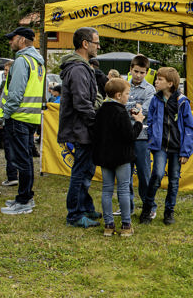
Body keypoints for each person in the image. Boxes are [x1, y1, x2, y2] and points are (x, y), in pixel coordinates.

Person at [58, 27, 103, 228]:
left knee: (87, 171)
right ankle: (75, 214)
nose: (98, 47)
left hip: (84, 128)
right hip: (81, 128)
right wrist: (96, 123)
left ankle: (84, 206)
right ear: (85, 44)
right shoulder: (77, 69)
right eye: (96, 42)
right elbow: (82, 103)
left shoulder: (83, 67)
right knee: (80, 172)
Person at [139, 67, 193, 226]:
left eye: (160, 79)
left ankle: (169, 212)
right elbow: (150, 121)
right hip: (160, 147)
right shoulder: (155, 100)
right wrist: (152, 139)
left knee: (174, 179)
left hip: (177, 148)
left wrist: (186, 151)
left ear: (170, 84)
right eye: (156, 79)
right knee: (156, 175)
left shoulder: (182, 102)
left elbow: (189, 128)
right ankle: (147, 209)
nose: (156, 82)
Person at [0, 27, 46, 215]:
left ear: (21, 40)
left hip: (18, 116)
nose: (10, 42)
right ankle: (25, 196)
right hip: (31, 117)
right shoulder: (38, 62)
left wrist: (5, 113)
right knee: (26, 158)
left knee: (22, 160)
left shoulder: (22, 61)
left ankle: (24, 200)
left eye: (12, 38)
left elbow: (16, 93)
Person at [93, 77, 145, 237]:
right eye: (127, 93)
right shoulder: (121, 112)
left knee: (107, 190)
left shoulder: (101, 111)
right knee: (123, 189)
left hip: (105, 156)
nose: (128, 96)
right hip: (122, 157)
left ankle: (108, 225)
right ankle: (126, 225)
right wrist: (138, 122)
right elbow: (130, 136)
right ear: (118, 95)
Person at [127, 54, 156, 216]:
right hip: (125, 135)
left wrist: (129, 107)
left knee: (144, 174)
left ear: (146, 72)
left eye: (142, 72)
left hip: (142, 137)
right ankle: (127, 206)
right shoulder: (123, 85)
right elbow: (116, 105)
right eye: (136, 71)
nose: (138, 75)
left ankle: (149, 206)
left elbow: (144, 111)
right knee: (125, 174)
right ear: (131, 69)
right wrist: (135, 106)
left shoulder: (150, 89)